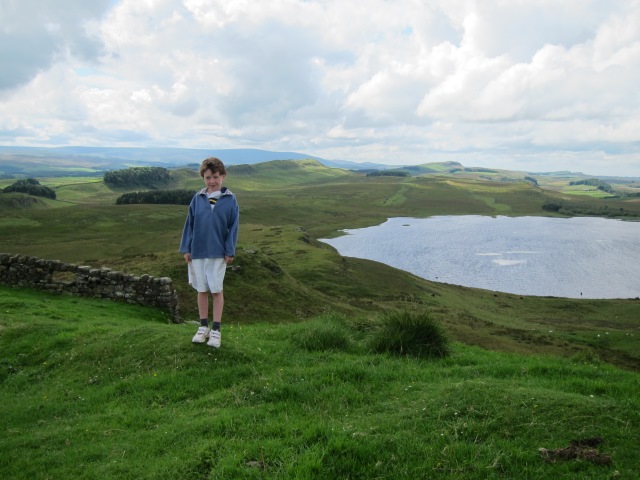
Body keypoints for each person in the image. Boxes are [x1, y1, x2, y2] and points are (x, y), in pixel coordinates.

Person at [179, 157, 239, 348]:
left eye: (215, 176)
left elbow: (233, 227)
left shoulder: (230, 199)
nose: (211, 181)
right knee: (201, 289)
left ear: (222, 176)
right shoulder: (197, 199)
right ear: (203, 178)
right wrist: (186, 248)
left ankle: (216, 330)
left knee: (216, 289)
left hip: (218, 252)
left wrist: (230, 250)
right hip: (197, 251)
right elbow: (189, 224)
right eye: (207, 178)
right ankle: (203, 327)